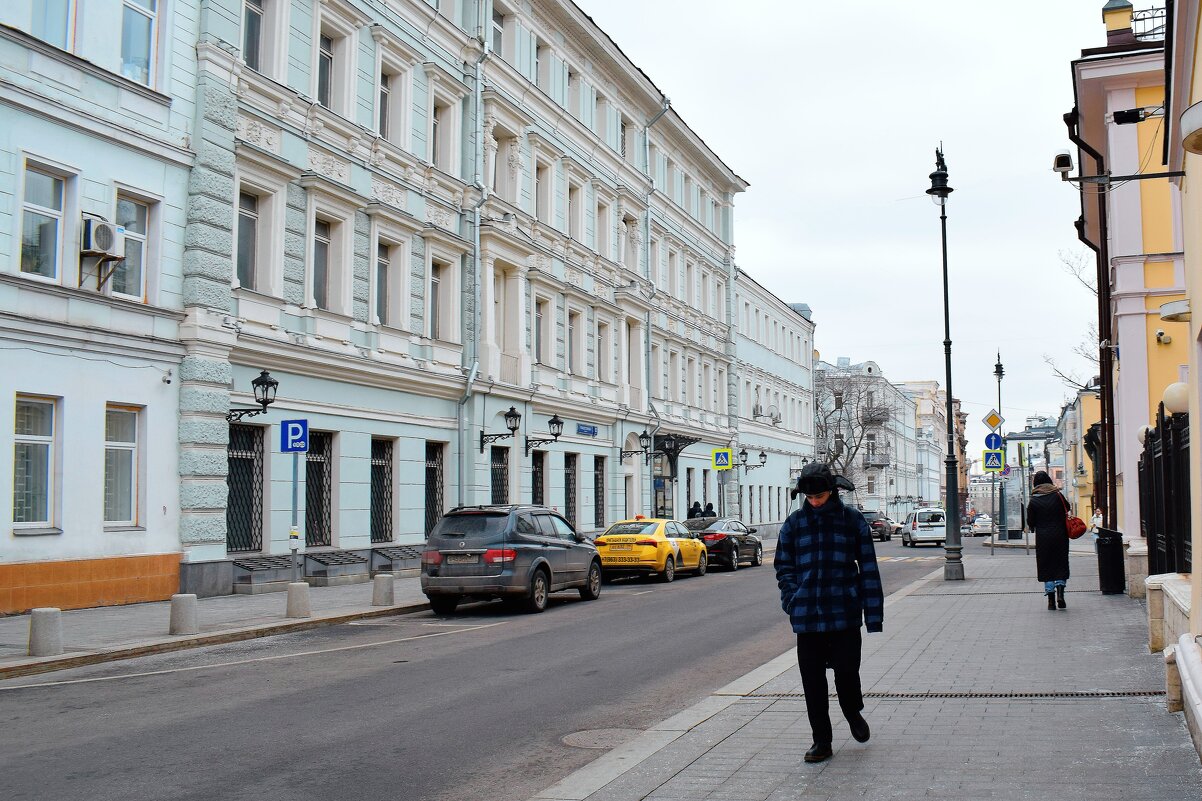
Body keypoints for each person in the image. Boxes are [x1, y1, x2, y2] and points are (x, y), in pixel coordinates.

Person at [774, 462, 883, 764]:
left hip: (843, 612)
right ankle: (821, 741)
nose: (815, 502)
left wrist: (872, 616)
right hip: (807, 615)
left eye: (820, 495)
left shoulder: (852, 521)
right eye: (809, 497)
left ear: (832, 492)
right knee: (812, 683)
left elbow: (869, 569)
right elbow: (784, 566)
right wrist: (792, 598)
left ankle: (852, 711)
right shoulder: (794, 524)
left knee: (847, 673)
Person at [1027, 470, 1071, 610]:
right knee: (1060, 563)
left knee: (1046, 565)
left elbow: (1030, 521)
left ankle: (1051, 600)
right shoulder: (1058, 495)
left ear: (1036, 483)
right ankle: (1060, 593)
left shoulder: (1034, 500)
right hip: (1060, 535)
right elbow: (1067, 508)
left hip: (1043, 537)